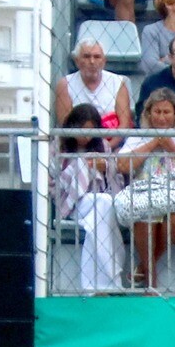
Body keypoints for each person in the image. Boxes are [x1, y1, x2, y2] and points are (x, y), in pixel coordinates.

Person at [117, 88, 175, 290]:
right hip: (144, 192)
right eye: (157, 112)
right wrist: (152, 144)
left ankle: (144, 267)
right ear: (148, 113)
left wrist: (171, 146)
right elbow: (122, 166)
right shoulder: (137, 137)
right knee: (144, 216)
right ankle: (151, 281)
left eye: (167, 112)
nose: (161, 117)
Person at [54, 105, 126, 292]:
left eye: (91, 130)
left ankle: (94, 287)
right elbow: (54, 181)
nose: (86, 136)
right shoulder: (58, 145)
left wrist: (106, 168)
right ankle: (112, 280)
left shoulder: (103, 146)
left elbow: (115, 179)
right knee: (103, 204)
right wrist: (83, 165)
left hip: (99, 201)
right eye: (82, 129)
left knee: (98, 219)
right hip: (72, 202)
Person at [56, 38, 134, 131]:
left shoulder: (117, 82)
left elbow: (124, 125)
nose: (92, 61)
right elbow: (65, 124)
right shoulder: (65, 84)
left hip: (112, 140)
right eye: (86, 56)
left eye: (97, 57)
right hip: (75, 141)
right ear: (77, 61)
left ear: (104, 61)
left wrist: (107, 145)